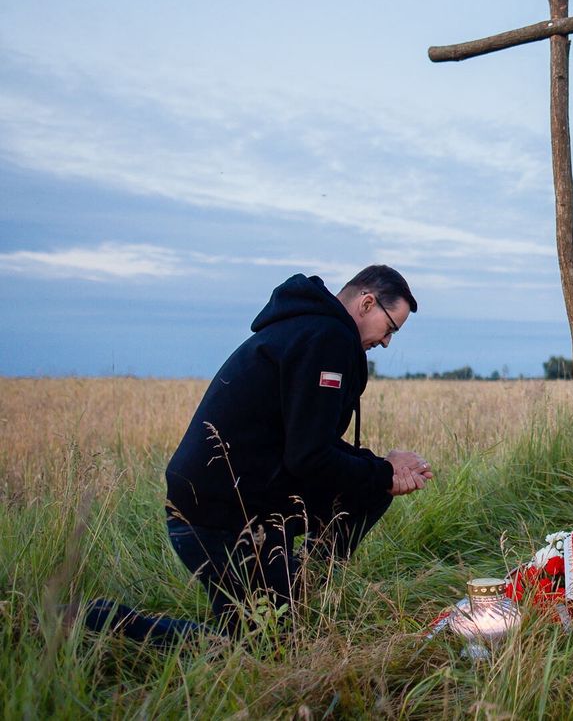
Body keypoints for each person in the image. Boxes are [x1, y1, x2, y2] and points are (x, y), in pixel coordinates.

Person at [86, 265, 432, 642]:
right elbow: (309, 457)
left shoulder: (306, 329)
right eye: (390, 328)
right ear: (367, 303)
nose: (386, 343)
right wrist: (385, 472)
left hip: (241, 505)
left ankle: (298, 587)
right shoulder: (327, 338)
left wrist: (381, 469)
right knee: (263, 649)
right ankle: (99, 623)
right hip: (222, 519)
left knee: (367, 489)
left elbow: (309, 445)